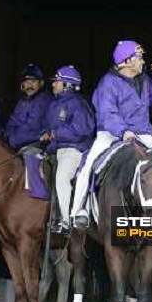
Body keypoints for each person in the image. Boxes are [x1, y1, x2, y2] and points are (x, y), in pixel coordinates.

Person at [71, 40, 152, 229]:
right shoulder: (108, 83)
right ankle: (80, 210)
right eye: (139, 58)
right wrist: (123, 131)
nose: (143, 61)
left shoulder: (144, 81)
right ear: (126, 61)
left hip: (142, 133)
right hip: (111, 134)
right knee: (89, 164)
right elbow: (107, 112)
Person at [41, 65, 95, 234]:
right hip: (56, 150)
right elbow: (51, 131)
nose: (53, 84)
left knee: (62, 178)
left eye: (57, 81)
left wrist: (55, 134)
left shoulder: (78, 104)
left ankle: (65, 220)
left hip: (75, 149)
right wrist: (47, 139)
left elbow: (82, 130)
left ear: (68, 84)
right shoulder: (53, 105)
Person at [5, 64, 53, 151]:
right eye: (26, 82)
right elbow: (11, 124)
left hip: (37, 146)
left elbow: (31, 129)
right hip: (19, 144)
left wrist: (11, 139)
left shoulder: (43, 101)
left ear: (41, 83)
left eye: (33, 81)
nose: (29, 85)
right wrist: (8, 136)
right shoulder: (22, 102)